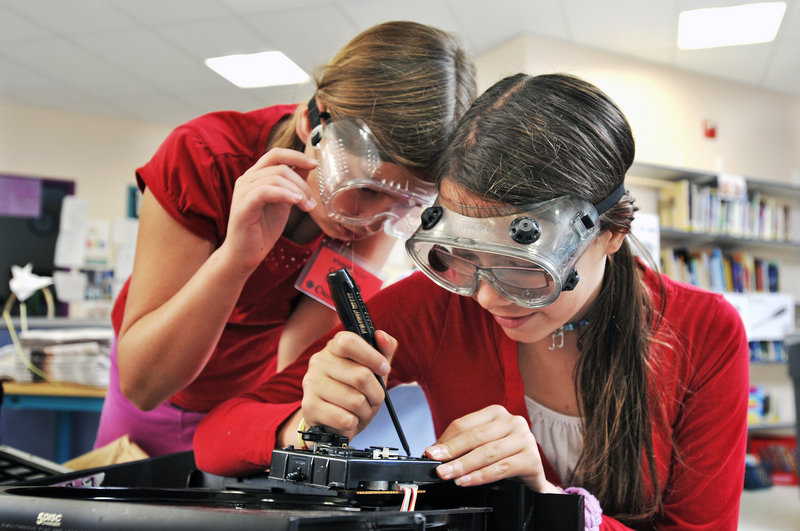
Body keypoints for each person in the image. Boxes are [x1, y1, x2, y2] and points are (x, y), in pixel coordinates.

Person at [193, 73, 749, 530]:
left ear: (610, 233)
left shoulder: (705, 332)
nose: (485, 296)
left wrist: (553, 503)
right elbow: (215, 438)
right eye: (463, 257)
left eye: (524, 268)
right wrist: (305, 424)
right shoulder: (435, 307)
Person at [93, 20, 477, 457]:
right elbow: (144, 384)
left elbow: (297, 360)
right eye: (365, 189)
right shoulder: (203, 158)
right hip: (152, 399)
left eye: (402, 206)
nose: (370, 222)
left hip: (246, 403)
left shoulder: (378, 211)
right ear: (309, 121)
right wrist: (236, 257)